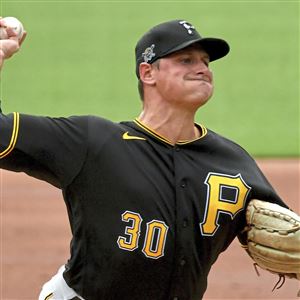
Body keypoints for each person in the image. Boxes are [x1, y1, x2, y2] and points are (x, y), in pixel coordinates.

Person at [0, 19, 296, 300]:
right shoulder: (93, 143)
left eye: (205, 61)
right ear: (147, 73)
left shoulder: (232, 161)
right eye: (186, 60)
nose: (203, 68)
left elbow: (288, 234)